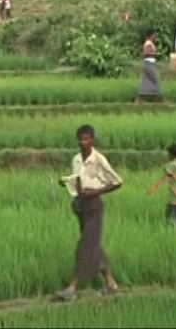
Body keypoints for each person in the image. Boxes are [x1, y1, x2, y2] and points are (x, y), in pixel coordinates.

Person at [55, 124, 123, 302]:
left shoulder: (99, 159)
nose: (82, 142)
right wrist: (68, 183)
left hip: (94, 205)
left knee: (86, 247)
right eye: (80, 139)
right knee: (94, 246)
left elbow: (117, 182)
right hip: (81, 205)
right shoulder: (76, 159)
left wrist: (93, 193)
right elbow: (78, 181)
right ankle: (111, 284)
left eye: (86, 139)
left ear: (93, 140)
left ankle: (73, 288)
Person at [147, 143, 176, 231]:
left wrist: (154, 189)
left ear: (171, 154)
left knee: (173, 222)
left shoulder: (172, 165)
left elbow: (167, 178)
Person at [137, 31, 163, 103]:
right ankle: (160, 99)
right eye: (154, 35)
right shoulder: (148, 43)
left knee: (146, 82)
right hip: (149, 64)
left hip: (149, 64)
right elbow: (145, 53)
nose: (155, 37)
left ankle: (141, 100)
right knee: (157, 80)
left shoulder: (150, 43)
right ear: (150, 36)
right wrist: (155, 54)